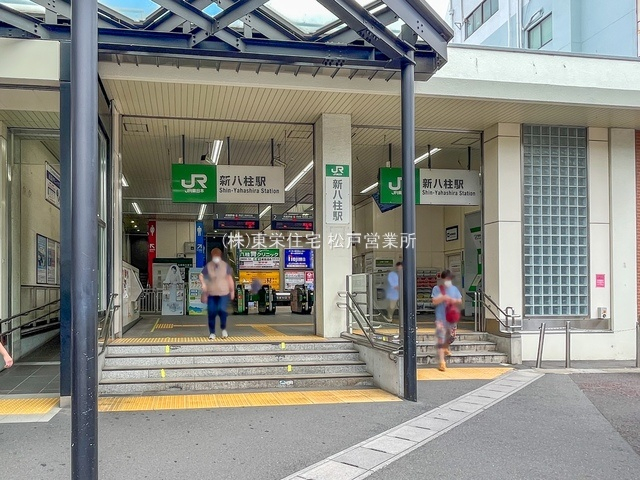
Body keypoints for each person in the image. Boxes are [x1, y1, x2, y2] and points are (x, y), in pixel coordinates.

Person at [199, 248, 235, 340]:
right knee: (211, 312)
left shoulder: (225, 266)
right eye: (214, 256)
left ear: (220, 256)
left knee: (222, 310)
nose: (215, 257)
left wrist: (232, 291)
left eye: (217, 256)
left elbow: (229, 279)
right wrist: (203, 284)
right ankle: (212, 332)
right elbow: (201, 275)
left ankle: (223, 329)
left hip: (224, 293)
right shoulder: (208, 266)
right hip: (211, 293)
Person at [432, 270, 462, 372]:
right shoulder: (437, 289)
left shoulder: (454, 289)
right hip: (440, 317)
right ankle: (442, 362)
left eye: (449, 279)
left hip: (451, 317)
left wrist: (453, 300)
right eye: (446, 279)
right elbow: (434, 301)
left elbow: (459, 300)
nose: (447, 281)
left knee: (451, 336)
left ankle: (446, 347)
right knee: (441, 338)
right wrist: (443, 297)